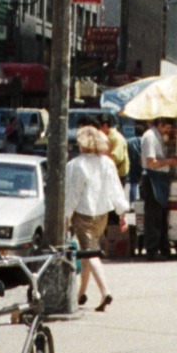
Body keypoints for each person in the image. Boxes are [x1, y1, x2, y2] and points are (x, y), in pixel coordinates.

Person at [66, 126, 129, 311]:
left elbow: (72, 195)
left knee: (90, 252)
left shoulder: (76, 164)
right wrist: (122, 213)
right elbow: (116, 189)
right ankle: (80, 294)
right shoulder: (107, 163)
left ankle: (105, 292)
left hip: (83, 214)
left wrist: (66, 217)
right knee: (87, 254)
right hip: (102, 214)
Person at [140, 118, 177, 259]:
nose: (167, 131)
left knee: (161, 215)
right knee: (153, 215)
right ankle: (152, 249)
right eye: (166, 128)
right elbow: (151, 163)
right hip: (152, 178)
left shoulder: (160, 137)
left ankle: (163, 247)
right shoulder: (150, 137)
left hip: (161, 177)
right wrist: (169, 161)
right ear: (159, 125)